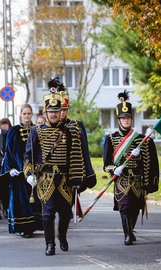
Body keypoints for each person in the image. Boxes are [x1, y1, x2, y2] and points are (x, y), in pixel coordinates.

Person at [23, 79, 97, 256]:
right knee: (47, 214)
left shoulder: (70, 130)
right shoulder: (36, 131)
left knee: (65, 214)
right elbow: (28, 156)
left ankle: (61, 235)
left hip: (64, 180)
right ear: (46, 112)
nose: (54, 114)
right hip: (46, 179)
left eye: (57, 111)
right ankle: (50, 244)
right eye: (51, 111)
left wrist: (81, 176)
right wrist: (29, 173)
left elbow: (79, 154)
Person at [103, 90, 159, 245]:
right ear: (119, 120)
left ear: (131, 119)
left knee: (135, 207)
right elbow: (106, 164)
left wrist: (148, 181)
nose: (126, 120)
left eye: (128, 118)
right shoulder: (111, 138)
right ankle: (127, 235)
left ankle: (130, 230)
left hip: (137, 180)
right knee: (125, 206)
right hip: (122, 179)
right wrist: (114, 169)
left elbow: (149, 162)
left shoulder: (142, 140)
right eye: (123, 118)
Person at [0, 104, 43, 238]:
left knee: (34, 199)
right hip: (18, 172)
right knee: (21, 200)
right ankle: (24, 227)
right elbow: (9, 152)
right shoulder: (13, 130)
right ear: (20, 115)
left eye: (29, 114)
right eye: (24, 114)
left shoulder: (36, 130)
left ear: (32, 115)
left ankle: (34, 225)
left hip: (33, 171)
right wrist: (10, 168)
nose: (26, 116)